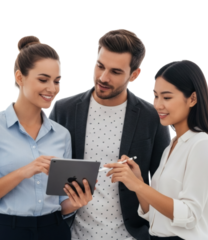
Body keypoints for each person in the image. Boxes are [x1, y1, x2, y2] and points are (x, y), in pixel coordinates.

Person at [0, 35, 95, 240]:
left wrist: (78, 201)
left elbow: (61, 203)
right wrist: (24, 172)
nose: (52, 89)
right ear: (20, 77)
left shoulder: (61, 135)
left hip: (55, 230)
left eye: (57, 81)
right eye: (43, 79)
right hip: (7, 231)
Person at [49, 28, 171, 240]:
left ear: (135, 75)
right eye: (100, 66)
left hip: (131, 235)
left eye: (115, 72)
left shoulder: (153, 117)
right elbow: (46, 177)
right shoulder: (63, 109)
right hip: (73, 234)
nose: (103, 77)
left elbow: (164, 186)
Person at [104, 59, 208, 240]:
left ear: (192, 98)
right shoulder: (172, 146)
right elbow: (154, 213)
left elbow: (189, 215)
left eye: (167, 97)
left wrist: (137, 185)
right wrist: (139, 181)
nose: (158, 105)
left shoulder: (202, 145)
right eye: (155, 96)